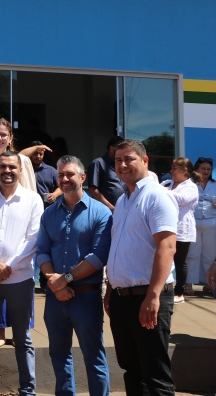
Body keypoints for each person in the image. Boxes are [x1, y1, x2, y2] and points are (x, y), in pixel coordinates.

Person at [104, 139, 177, 396]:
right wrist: (110, 290)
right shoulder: (123, 201)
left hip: (148, 297)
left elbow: (167, 247)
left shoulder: (157, 196)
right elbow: (119, 249)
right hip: (122, 299)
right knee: (132, 371)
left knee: (155, 376)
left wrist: (153, 296)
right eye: (118, 160)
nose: (122, 165)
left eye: (129, 159)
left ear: (145, 161)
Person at [37, 155, 112, 396]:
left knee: (94, 358)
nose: (65, 179)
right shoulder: (49, 214)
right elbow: (41, 252)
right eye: (61, 175)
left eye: (70, 174)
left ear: (82, 177)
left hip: (86, 298)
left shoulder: (101, 213)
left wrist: (65, 279)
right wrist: (56, 284)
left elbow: (99, 256)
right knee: (59, 356)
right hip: (55, 298)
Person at [0, 151, 42, 396]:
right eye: (3, 166)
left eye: (12, 167)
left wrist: (9, 267)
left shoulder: (33, 200)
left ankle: (27, 390)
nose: (7, 171)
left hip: (20, 280)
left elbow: (33, 239)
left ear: (20, 170)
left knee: (23, 339)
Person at [161, 158, 199, 303]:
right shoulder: (167, 183)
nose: (171, 171)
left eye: (174, 168)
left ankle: (179, 292)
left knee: (180, 261)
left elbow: (182, 198)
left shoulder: (191, 187)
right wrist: (164, 190)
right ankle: (164, 288)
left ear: (184, 170)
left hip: (182, 229)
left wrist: (166, 192)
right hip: (166, 227)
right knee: (164, 257)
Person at [186, 157, 216, 293]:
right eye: (203, 168)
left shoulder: (215, 185)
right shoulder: (189, 184)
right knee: (192, 254)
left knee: (209, 254)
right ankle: (189, 283)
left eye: (208, 169)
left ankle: (208, 283)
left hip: (211, 222)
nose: (206, 171)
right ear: (196, 169)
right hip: (193, 221)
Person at [87, 136, 126, 213]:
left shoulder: (120, 164)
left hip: (123, 210)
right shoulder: (98, 163)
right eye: (119, 149)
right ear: (111, 148)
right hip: (105, 211)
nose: (121, 153)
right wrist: (111, 207)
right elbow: (93, 189)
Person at [28, 141, 61, 208]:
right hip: (29, 207)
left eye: (41, 154)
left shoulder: (51, 170)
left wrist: (55, 194)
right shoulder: (23, 169)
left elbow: (61, 187)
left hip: (47, 208)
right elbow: (19, 155)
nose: (38, 156)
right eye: (35, 153)